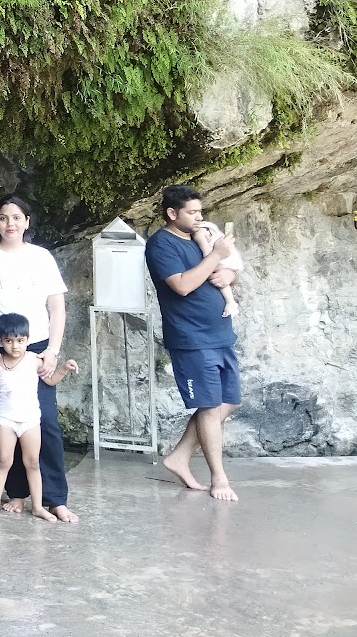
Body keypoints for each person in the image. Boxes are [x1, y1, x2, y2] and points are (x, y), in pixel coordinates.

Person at [0, 193, 78, 522]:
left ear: (27, 222)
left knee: (45, 423)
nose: (10, 223)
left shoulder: (41, 257)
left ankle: (55, 499)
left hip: (36, 348)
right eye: (3, 218)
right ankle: (17, 494)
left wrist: (52, 350)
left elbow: (57, 307)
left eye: (16, 217)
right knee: (6, 421)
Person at [146, 184, 243, 502]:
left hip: (220, 334)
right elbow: (183, 285)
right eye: (192, 212)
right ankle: (219, 479)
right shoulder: (161, 244)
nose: (199, 217)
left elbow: (223, 271)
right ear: (172, 213)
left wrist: (230, 275)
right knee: (210, 406)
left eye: (201, 211)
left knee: (229, 401)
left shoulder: (201, 237)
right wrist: (216, 255)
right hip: (191, 338)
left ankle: (179, 456)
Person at [0, 313, 80, 520]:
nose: (15, 346)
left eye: (20, 341)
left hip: (30, 421)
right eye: (9, 341)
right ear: (1, 341)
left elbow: (50, 380)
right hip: (5, 421)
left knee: (33, 463)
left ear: (27, 340)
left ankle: (38, 507)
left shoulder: (34, 360)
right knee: (3, 461)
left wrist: (63, 368)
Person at [191, 220, 244, 318]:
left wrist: (210, 264)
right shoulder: (209, 225)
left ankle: (230, 302)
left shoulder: (198, 232)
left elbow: (207, 254)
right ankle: (231, 302)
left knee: (217, 276)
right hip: (231, 256)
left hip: (223, 257)